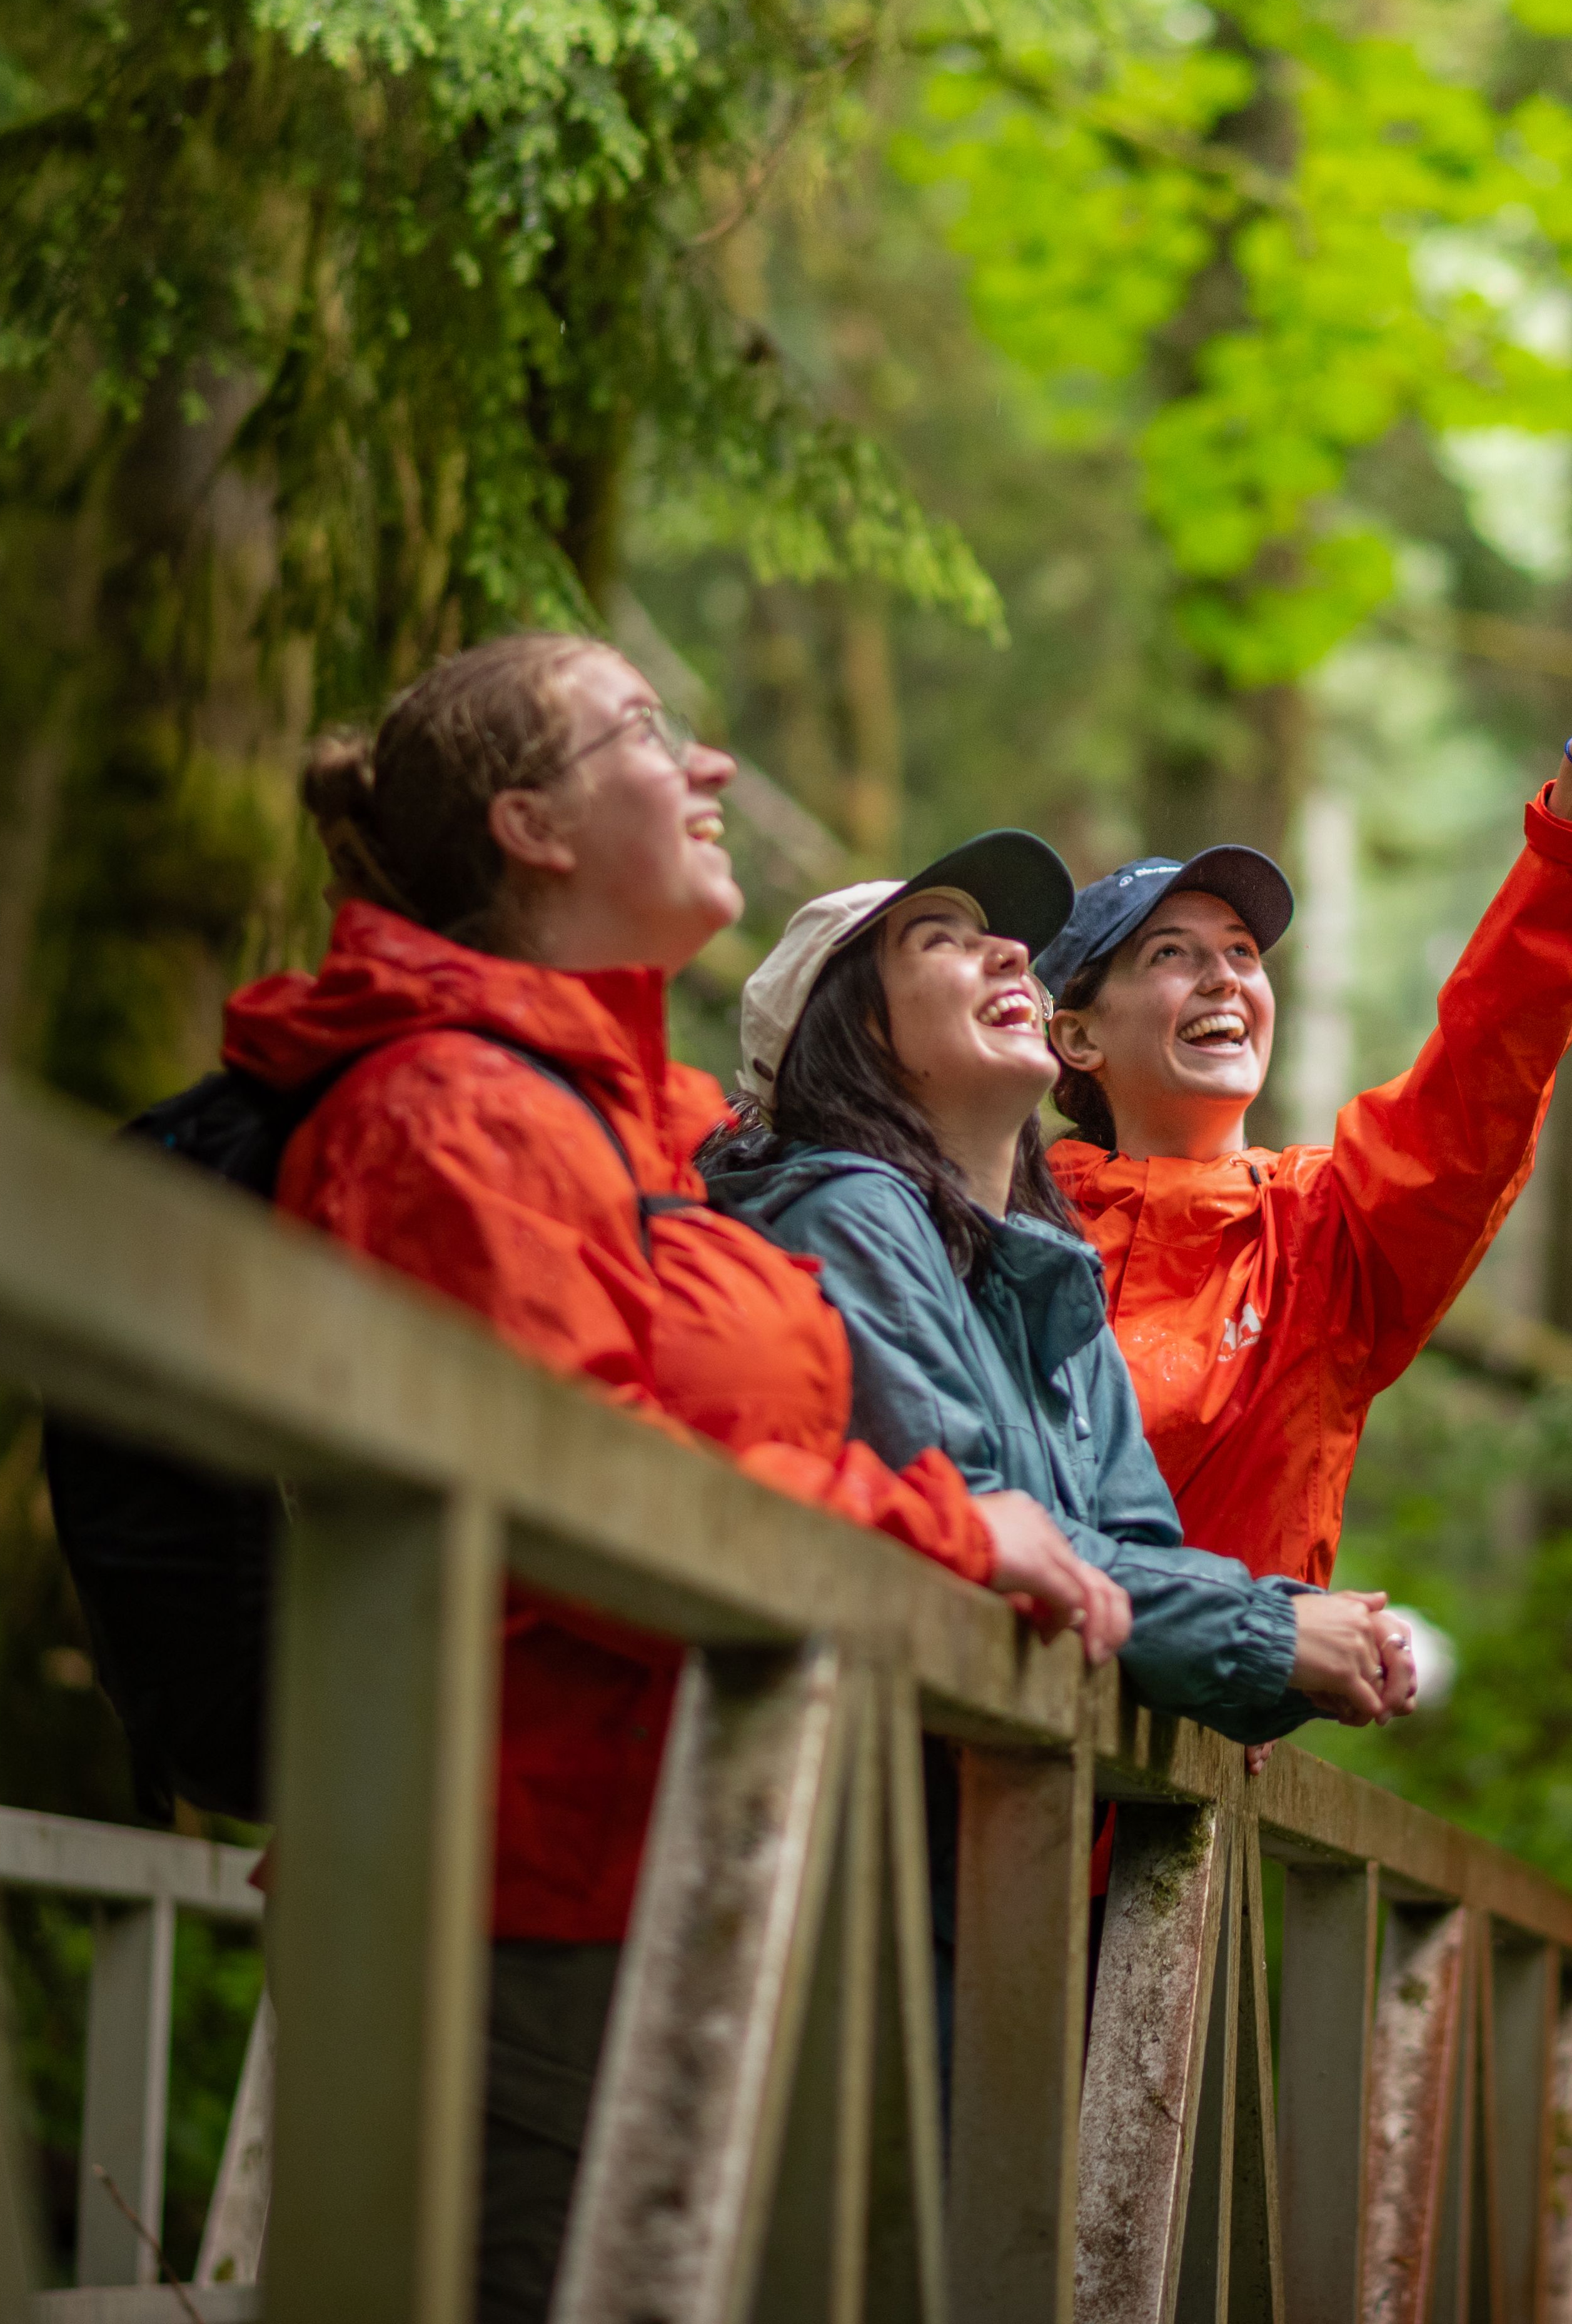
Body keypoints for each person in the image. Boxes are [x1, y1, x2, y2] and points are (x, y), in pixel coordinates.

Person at [221, 633, 1122, 2324]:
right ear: (531, 829)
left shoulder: (626, 1130)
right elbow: (585, 1493)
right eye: (646, 731)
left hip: (660, 1888)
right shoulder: (446, 1114)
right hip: (501, 1907)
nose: (708, 768)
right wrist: (949, 1528)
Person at [1035, 561, 1572, 1596]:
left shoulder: (1330, 1235)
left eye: (1244, 954)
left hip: (1197, 1747)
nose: (1225, 973)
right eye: (1171, 953)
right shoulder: (1003, 1232)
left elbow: (1489, 1062)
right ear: (1077, 1037)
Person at [697, 836, 1415, 1743]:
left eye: (998, 939)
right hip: (880, 1812)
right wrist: (1274, 1633)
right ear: (853, 1033)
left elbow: (1133, 1559)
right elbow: (967, 1524)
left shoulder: (1047, 1264)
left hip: (991, 1813)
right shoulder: (845, 1216)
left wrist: (1307, 1659)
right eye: (939, 940)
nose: (1007, 952)